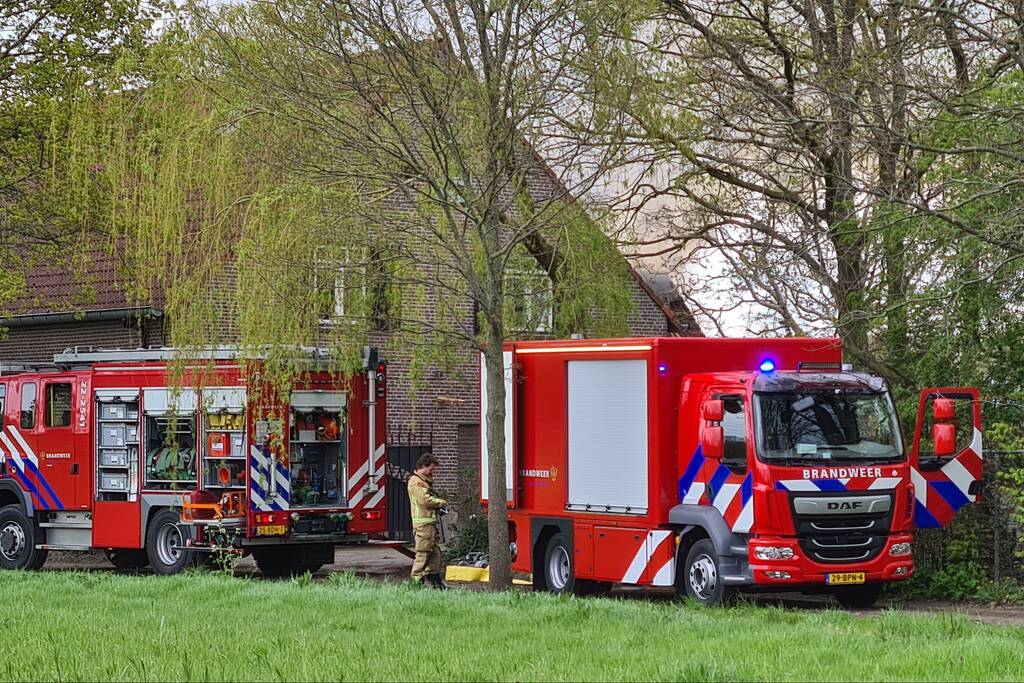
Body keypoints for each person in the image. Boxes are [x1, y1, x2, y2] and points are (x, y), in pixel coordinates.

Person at [407, 452, 448, 587]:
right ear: (423, 466)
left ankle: (432, 577)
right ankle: (416, 581)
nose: (432, 472)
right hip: (423, 524)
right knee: (423, 552)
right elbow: (425, 500)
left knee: (435, 553)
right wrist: (440, 502)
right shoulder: (417, 482)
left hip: (429, 523)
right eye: (431, 469)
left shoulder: (423, 481)